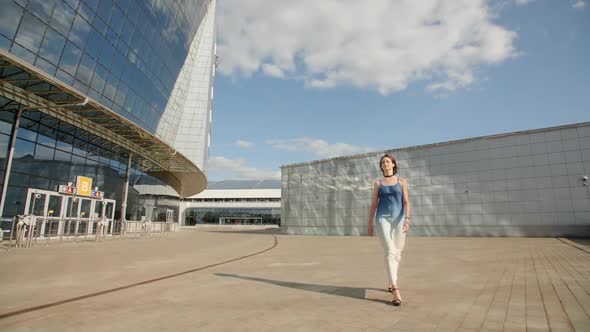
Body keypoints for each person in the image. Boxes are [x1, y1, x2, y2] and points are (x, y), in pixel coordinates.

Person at [368, 154, 411, 306]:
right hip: (382, 219)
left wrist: (407, 219)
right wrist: (370, 224)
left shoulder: (402, 181)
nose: (385, 164)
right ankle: (395, 290)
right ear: (381, 167)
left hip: (399, 220)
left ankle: (391, 281)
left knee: (398, 253)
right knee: (390, 250)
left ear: (393, 164)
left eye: (388, 161)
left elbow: (406, 202)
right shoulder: (378, 183)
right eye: (383, 162)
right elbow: (374, 204)